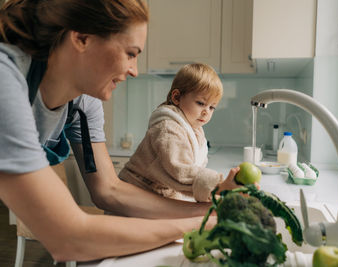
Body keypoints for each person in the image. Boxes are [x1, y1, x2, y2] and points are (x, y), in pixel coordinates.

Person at [0, 0, 239, 262]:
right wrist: (198, 225)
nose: (135, 71)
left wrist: (205, 212)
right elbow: (69, 238)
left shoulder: (83, 102)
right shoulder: (5, 81)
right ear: (82, 38)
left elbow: (108, 190)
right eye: (131, 53)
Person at [119, 63, 240, 202]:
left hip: (162, 192)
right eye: (201, 103)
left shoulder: (195, 131)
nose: (206, 112)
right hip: (135, 193)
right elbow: (180, 170)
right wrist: (219, 186)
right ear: (176, 97)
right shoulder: (168, 128)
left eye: (212, 107)